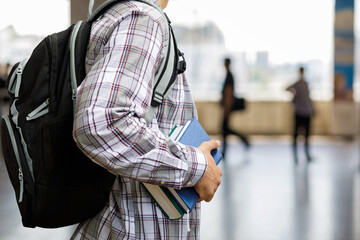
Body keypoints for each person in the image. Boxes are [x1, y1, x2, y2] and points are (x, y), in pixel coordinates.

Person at [71, 0, 222, 239]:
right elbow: (101, 123)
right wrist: (196, 167)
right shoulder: (143, 19)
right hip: (135, 226)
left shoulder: (116, 15)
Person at [220, 57, 250, 158]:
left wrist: (227, 109)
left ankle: (243, 140)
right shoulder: (229, 75)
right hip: (227, 106)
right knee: (226, 128)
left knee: (225, 128)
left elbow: (229, 93)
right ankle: (243, 140)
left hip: (228, 107)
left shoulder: (229, 76)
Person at [286, 66, 315, 163]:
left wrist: (313, 109)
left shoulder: (306, 83)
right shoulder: (297, 84)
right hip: (299, 112)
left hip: (307, 111)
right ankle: (295, 156)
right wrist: (294, 94)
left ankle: (307, 155)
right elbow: (286, 88)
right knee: (296, 134)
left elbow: (309, 98)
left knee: (307, 135)